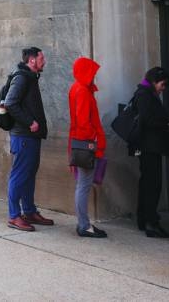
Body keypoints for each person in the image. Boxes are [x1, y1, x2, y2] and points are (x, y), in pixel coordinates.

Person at [5, 47, 53, 231]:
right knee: (19, 176)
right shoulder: (22, 77)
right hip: (23, 136)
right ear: (31, 60)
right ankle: (14, 216)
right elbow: (10, 103)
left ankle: (29, 211)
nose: (44, 61)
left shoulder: (30, 78)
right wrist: (30, 121)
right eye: (42, 57)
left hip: (31, 137)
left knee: (29, 175)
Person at [68, 56, 108, 238]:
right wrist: (94, 141)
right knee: (83, 185)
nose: (94, 76)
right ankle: (84, 225)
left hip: (80, 143)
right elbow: (84, 122)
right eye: (92, 72)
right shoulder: (83, 91)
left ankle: (83, 224)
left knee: (82, 185)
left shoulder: (77, 88)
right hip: (86, 145)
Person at [134, 66, 169, 238]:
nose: (163, 88)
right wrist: (167, 122)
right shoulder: (145, 95)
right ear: (154, 81)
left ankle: (144, 219)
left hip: (148, 146)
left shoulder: (145, 93)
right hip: (149, 147)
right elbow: (148, 120)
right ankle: (151, 222)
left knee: (147, 184)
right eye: (162, 84)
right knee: (152, 184)